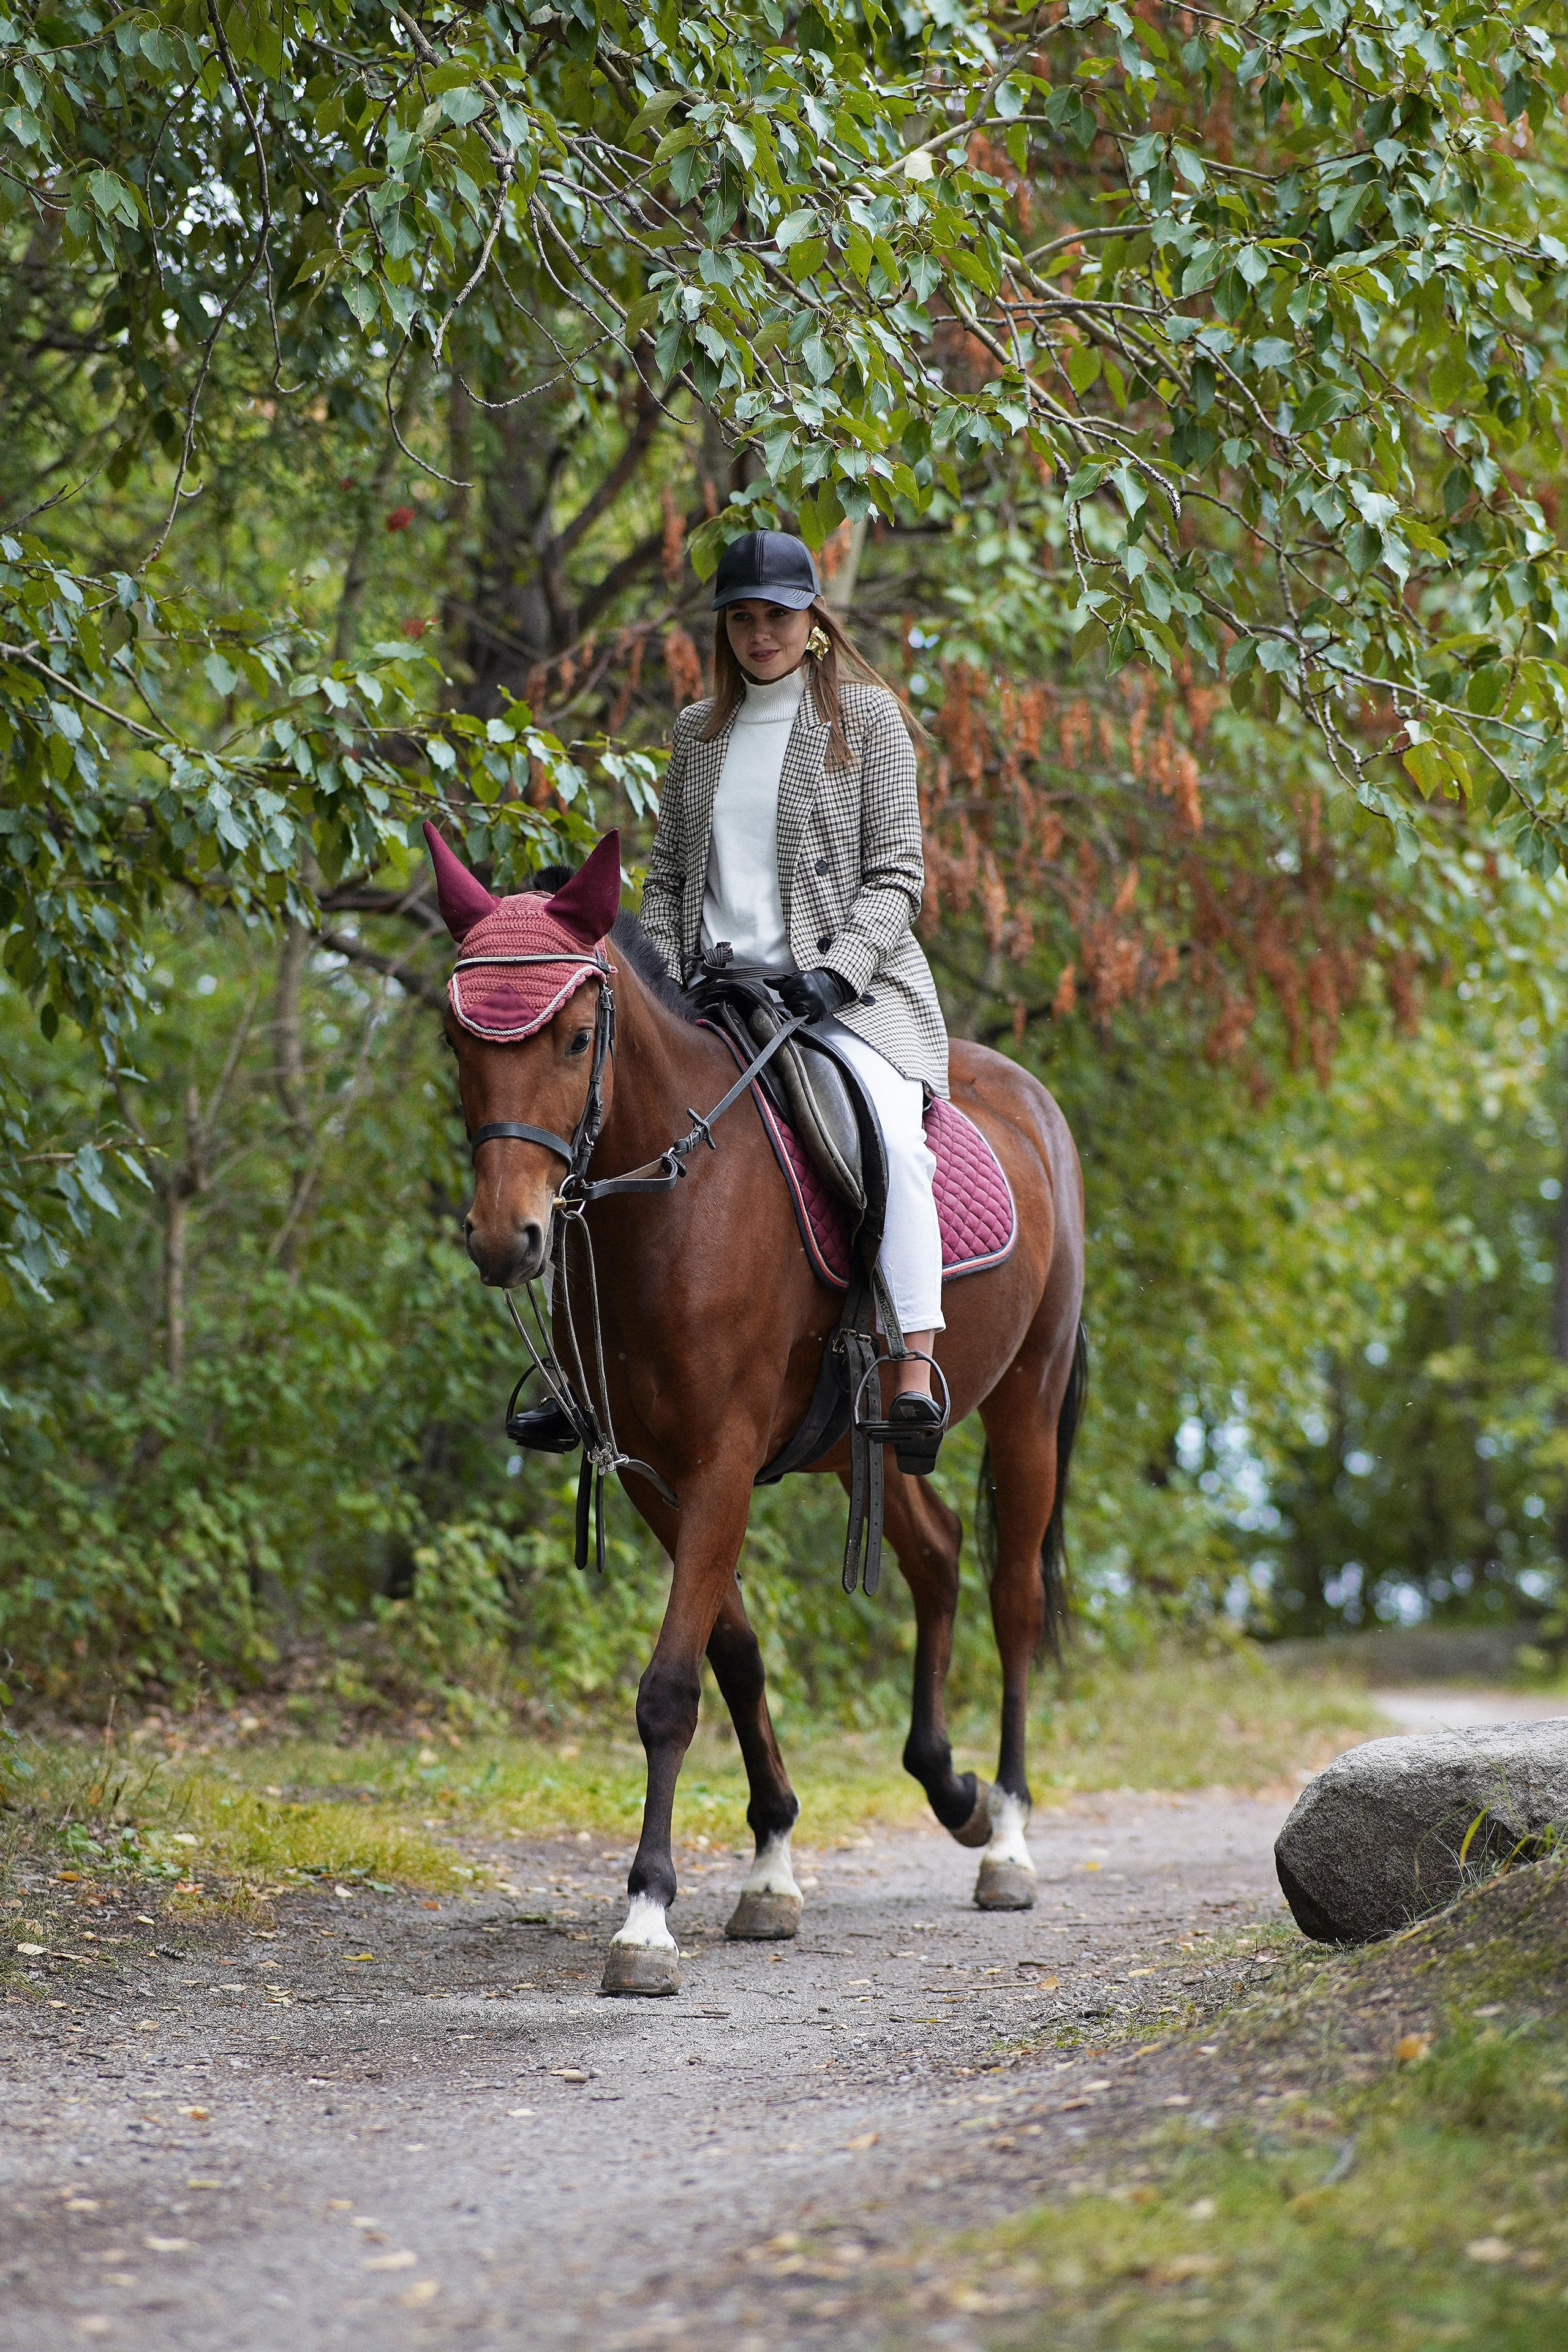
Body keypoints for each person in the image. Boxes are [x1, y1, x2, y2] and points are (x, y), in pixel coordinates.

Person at [640, 528, 949, 1455]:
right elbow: (663, 884)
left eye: (775, 616)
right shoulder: (696, 736)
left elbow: (899, 876)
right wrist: (658, 984)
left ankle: (915, 1365)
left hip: (845, 997)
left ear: (812, 616)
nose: (759, 634)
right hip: (715, 997)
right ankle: (585, 1372)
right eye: (741, 619)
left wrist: (836, 970)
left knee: (887, 1133)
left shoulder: (868, 718)